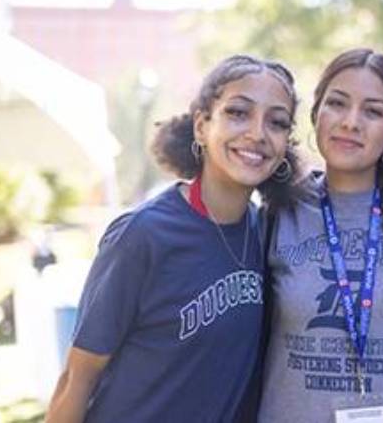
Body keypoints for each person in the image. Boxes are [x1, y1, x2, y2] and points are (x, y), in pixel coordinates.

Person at [45, 55, 303, 423]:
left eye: (276, 122)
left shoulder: (268, 234)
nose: (258, 133)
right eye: (238, 113)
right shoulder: (142, 235)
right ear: (201, 126)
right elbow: (77, 377)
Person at [257, 49, 383, 423]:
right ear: (316, 116)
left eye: (373, 111)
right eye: (337, 104)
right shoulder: (278, 208)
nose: (350, 122)